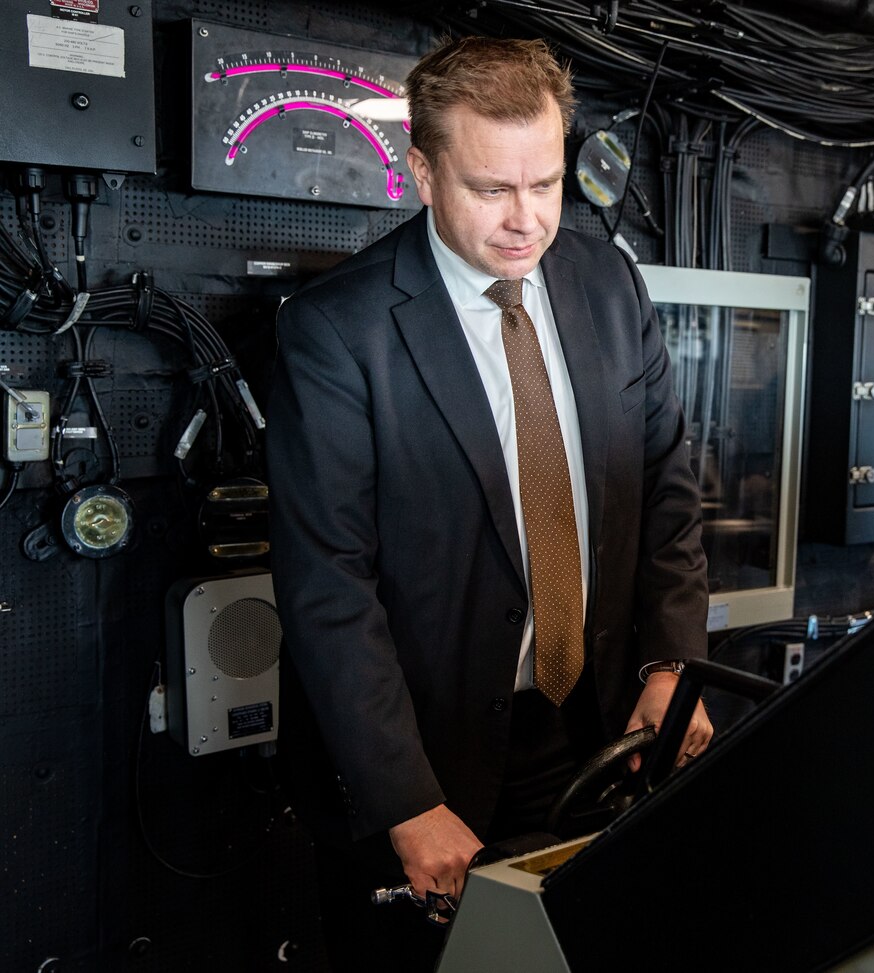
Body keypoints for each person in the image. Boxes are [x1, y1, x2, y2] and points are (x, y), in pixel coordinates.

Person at [268, 35, 712, 969]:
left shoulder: (608, 283)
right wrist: (405, 799)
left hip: (597, 726)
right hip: (430, 757)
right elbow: (327, 585)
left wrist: (671, 662)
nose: (527, 221)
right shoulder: (337, 329)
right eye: (491, 189)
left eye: (545, 184)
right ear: (422, 173)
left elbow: (665, 484)